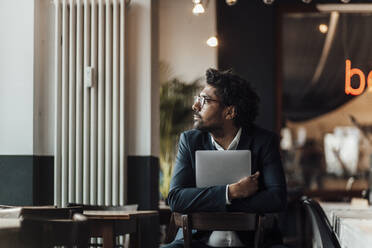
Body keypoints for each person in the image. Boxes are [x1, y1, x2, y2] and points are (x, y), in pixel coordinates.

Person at [163, 68, 287, 247]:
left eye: (204, 100)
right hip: (199, 240)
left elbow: (277, 199)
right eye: (198, 99)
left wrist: (210, 203)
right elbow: (175, 199)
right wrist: (230, 192)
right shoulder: (190, 141)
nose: (195, 106)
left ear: (230, 112)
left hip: (254, 241)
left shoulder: (264, 142)